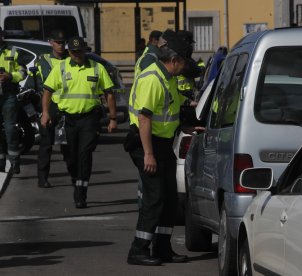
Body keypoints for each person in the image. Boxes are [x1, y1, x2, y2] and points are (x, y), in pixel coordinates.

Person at [126, 30, 197, 266]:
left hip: (163, 143)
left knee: (168, 198)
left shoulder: (167, 78)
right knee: (155, 197)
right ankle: (138, 249)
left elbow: (171, 110)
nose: (185, 67)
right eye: (184, 62)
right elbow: (144, 118)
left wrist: (192, 126)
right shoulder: (153, 79)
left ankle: (163, 248)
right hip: (147, 143)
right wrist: (148, 154)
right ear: (174, 60)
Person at [41, 36, 117, 208]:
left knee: (84, 153)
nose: (77, 55)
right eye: (74, 52)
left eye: (80, 51)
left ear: (85, 50)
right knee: (69, 156)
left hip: (89, 118)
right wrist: (45, 113)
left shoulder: (97, 68)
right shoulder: (60, 68)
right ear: (69, 52)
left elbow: (109, 93)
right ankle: (75, 177)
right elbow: (47, 91)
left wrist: (113, 118)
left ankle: (81, 193)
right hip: (66, 119)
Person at [27, 30, 68, 188]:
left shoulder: (71, 60)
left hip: (67, 106)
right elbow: (34, 84)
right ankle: (42, 178)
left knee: (68, 145)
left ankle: (74, 175)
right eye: (58, 42)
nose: (61, 46)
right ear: (51, 42)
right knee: (46, 145)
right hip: (49, 107)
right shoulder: (43, 60)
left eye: (63, 43)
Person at [0, 26, 27, 174]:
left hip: (8, 95)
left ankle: (15, 162)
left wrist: (9, 76)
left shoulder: (13, 51)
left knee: (10, 129)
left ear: (2, 35)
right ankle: (0, 163)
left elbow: (23, 72)